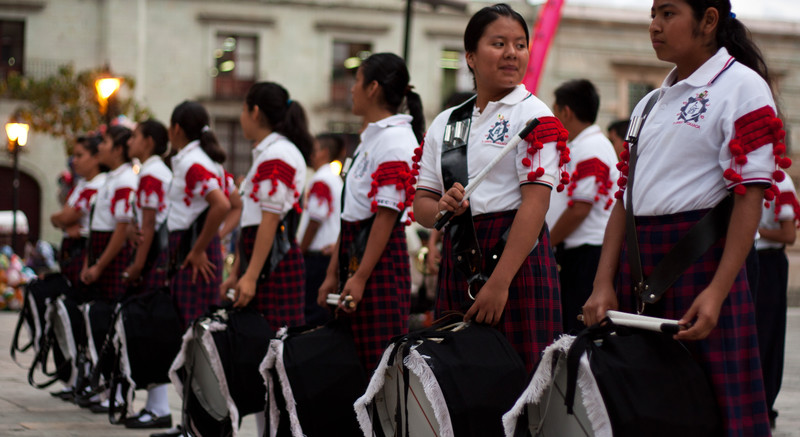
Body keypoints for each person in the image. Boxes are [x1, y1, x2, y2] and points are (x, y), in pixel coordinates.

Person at [583, 1, 786, 435]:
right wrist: (603, 283)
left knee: (713, 409)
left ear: (709, 20)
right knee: (640, 406)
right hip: (638, 267)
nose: (654, 25)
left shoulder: (743, 87)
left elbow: (749, 196)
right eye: (653, 14)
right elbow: (626, 198)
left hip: (701, 264)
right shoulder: (651, 102)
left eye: (668, 14)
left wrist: (718, 291)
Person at [413, 3, 567, 372]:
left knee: (520, 383)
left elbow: (535, 205)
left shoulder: (535, 117)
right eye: (499, 43)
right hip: (461, 255)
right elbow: (422, 205)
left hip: (516, 263)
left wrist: (500, 283)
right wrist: (441, 209)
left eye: (520, 44)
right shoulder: (447, 123)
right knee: (457, 380)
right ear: (470, 56)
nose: (512, 53)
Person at [317, 52, 423, 372]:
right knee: (353, 366)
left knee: (377, 370)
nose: (352, 89)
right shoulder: (372, 138)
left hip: (377, 264)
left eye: (357, 81)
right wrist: (334, 272)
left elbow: (386, 217)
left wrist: (360, 276)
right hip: (357, 258)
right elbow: (352, 215)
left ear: (373, 88)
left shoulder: (394, 141)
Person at [221, 82, 311, 331]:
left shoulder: (277, 154)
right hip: (263, 258)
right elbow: (252, 219)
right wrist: (240, 271)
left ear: (256, 112)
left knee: (273, 346)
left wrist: (250, 276)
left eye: (243, 110)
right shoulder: (269, 152)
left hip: (273, 260)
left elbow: (270, 220)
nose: (241, 118)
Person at [546, 79, 618, 333]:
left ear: (566, 112)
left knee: (577, 332)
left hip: (588, 254)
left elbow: (580, 208)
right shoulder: (583, 145)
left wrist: (546, 242)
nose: (553, 117)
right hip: (578, 252)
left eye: (554, 111)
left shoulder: (592, 148)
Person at [121, 119, 173, 430]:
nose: (130, 142)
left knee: (150, 330)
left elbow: (150, 225)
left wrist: (138, 264)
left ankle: (158, 408)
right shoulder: (155, 171)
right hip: (153, 257)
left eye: (136, 136)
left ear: (149, 142)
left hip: (152, 259)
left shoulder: (153, 173)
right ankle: (156, 406)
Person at [166, 101, 231, 330]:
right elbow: (236, 204)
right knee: (198, 325)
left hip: (192, 248)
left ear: (176, 129)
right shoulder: (210, 161)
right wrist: (215, 235)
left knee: (193, 326)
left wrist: (199, 248)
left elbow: (222, 205)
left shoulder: (192, 162)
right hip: (199, 245)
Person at [754, 176, 798, 429]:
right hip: (752, 258)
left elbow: (788, 235)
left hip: (769, 262)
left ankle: (764, 403)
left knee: (767, 333)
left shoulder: (781, 182)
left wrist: (751, 229)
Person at [80, 125, 136, 302]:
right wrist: (88, 263)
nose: (100, 147)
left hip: (112, 256)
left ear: (118, 150)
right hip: (98, 250)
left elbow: (121, 229)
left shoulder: (125, 180)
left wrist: (99, 265)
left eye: (105, 142)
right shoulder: (110, 178)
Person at [297, 133, 345, 326]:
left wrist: (300, 251)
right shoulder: (334, 179)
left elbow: (315, 220)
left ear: (324, 153)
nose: (312, 155)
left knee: (312, 314)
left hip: (317, 257)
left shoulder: (321, 180)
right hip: (328, 255)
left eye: (315, 150)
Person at [50, 134, 107, 290]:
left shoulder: (98, 185)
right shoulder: (82, 184)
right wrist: (63, 224)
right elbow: (58, 219)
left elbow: (65, 216)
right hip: (73, 249)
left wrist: (63, 221)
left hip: (83, 248)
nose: (74, 160)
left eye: (79, 155)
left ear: (96, 157)